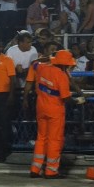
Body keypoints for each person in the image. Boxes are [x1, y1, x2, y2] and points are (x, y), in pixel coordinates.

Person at [29, 49, 80, 179]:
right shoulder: (61, 76)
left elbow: (34, 63)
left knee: (41, 138)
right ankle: (51, 171)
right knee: (54, 140)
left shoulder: (42, 68)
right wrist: (78, 101)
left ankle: (35, 169)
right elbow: (66, 98)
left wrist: (46, 59)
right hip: (55, 111)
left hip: (41, 108)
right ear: (65, 64)